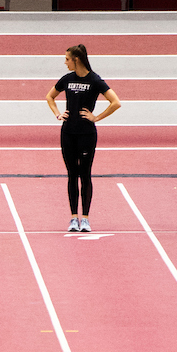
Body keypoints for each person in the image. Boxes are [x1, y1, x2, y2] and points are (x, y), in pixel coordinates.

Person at [45, 44, 121, 232]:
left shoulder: (94, 80)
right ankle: (73, 218)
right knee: (72, 175)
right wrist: (58, 114)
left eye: (67, 59)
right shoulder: (67, 79)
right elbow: (49, 97)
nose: (65, 63)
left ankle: (85, 219)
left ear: (76, 59)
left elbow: (116, 102)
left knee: (85, 175)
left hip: (86, 134)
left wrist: (96, 117)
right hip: (68, 133)